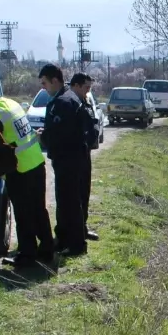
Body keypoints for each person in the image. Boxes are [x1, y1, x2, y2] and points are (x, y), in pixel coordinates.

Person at [0, 80, 54, 269]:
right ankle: (47, 248)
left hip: (20, 169)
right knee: (38, 209)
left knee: (23, 212)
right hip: (35, 162)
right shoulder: (10, 103)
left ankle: (27, 255)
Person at [39, 64, 90, 256]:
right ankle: (64, 239)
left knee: (69, 202)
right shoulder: (66, 98)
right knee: (65, 201)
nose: (43, 87)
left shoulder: (63, 102)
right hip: (71, 158)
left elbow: (61, 135)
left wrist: (43, 138)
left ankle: (76, 245)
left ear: (55, 80)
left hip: (68, 159)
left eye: (44, 83)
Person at [68, 73, 100, 241]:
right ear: (77, 86)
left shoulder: (83, 101)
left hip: (84, 153)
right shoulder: (69, 102)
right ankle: (75, 233)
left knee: (84, 192)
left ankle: (83, 227)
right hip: (75, 157)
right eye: (86, 88)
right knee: (76, 196)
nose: (88, 91)